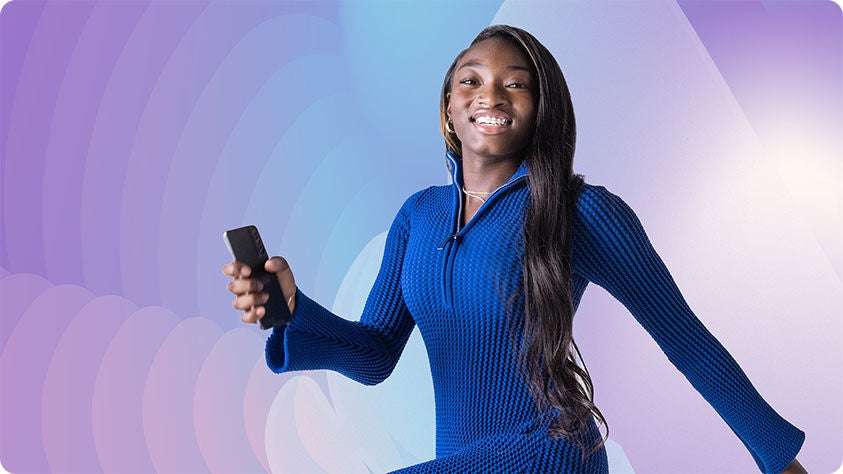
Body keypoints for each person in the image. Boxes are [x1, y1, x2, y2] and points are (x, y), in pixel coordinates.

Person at [223, 25, 806, 473]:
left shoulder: (581, 211)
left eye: (516, 83)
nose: (492, 94)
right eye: (471, 80)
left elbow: (686, 339)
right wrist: (294, 309)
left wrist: (781, 461)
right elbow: (374, 354)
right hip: (467, 459)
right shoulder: (418, 216)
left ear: (540, 108)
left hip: (551, 451)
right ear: (449, 108)